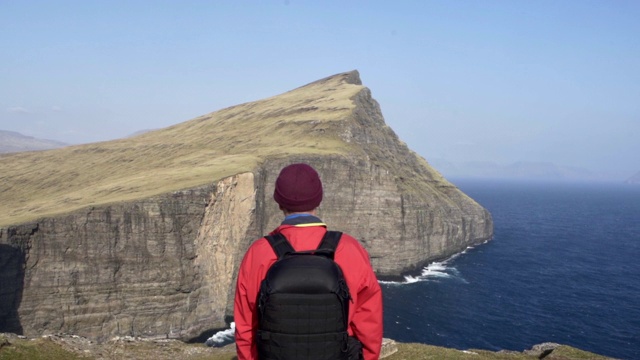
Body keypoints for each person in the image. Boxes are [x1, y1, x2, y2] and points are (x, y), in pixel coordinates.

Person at [234, 163, 383, 360]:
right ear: (318, 200)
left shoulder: (259, 253)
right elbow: (368, 321)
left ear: (279, 202)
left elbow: (246, 328)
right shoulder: (349, 249)